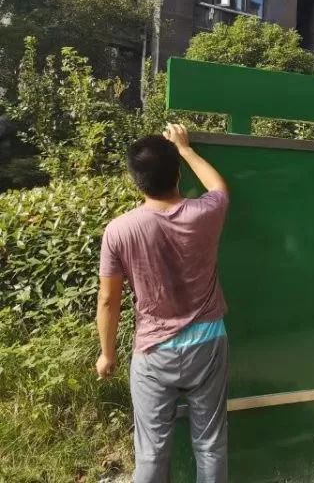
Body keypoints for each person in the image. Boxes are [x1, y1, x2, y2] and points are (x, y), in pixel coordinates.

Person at [96, 124, 230, 483]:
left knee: (152, 452)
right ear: (178, 174)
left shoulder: (119, 230)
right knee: (210, 445)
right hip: (208, 344)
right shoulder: (205, 213)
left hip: (153, 352)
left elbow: (108, 300)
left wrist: (107, 354)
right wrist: (185, 149)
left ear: (136, 181)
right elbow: (218, 188)